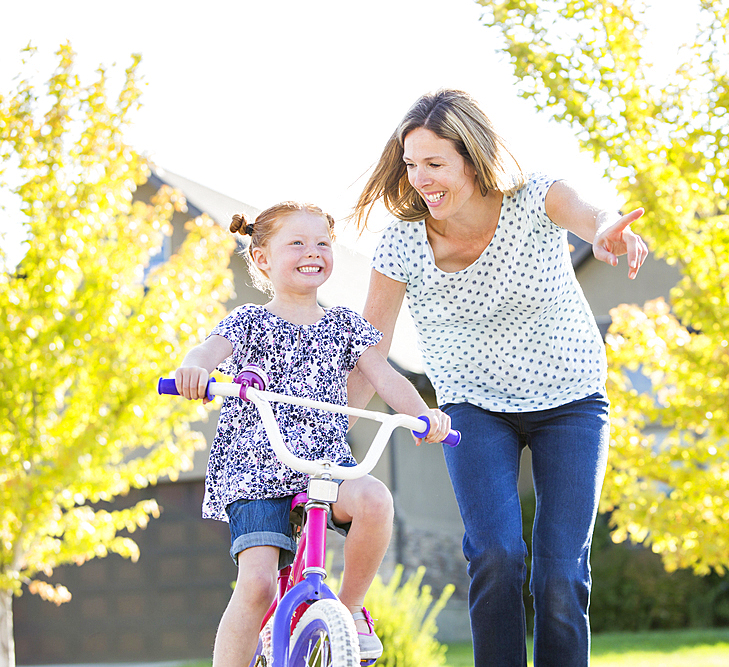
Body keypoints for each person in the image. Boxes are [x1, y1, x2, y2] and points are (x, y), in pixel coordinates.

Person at [348, 89, 648, 666]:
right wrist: (328, 432)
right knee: (495, 554)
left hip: (570, 400)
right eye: (411, 165)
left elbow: (589, 214)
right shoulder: (404, 239)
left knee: (560, 572)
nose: (421, 180)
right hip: (473, 406)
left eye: (435, 164)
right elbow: (371, 351)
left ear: (473, 156)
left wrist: (608, 228)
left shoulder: (535, 197)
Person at [172, 201, 451, 667]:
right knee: (258, 584)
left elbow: (384, 376)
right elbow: (207, 350)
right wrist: (194, 369)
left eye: (323, 242)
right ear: (262, 258)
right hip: (256, 471)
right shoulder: (249, 322)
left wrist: (424, 416)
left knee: (375, 500)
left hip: (324, 467)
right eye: (297, 242)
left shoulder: (343, 324)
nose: (313, 251)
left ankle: (351, 607)